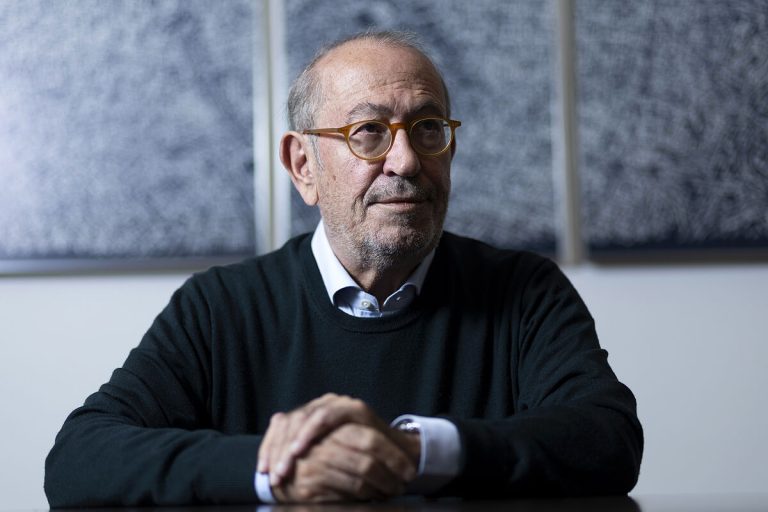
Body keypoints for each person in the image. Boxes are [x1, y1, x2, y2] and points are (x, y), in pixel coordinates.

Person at [44, 30, 643, 506]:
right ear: (303, 165)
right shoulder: (219, 307)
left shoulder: (525, 292)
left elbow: (606, 438)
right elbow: (79, 459)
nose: (405, 160)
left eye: (427, 129)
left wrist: (411, 451)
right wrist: (277, 467)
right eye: (369, 132)